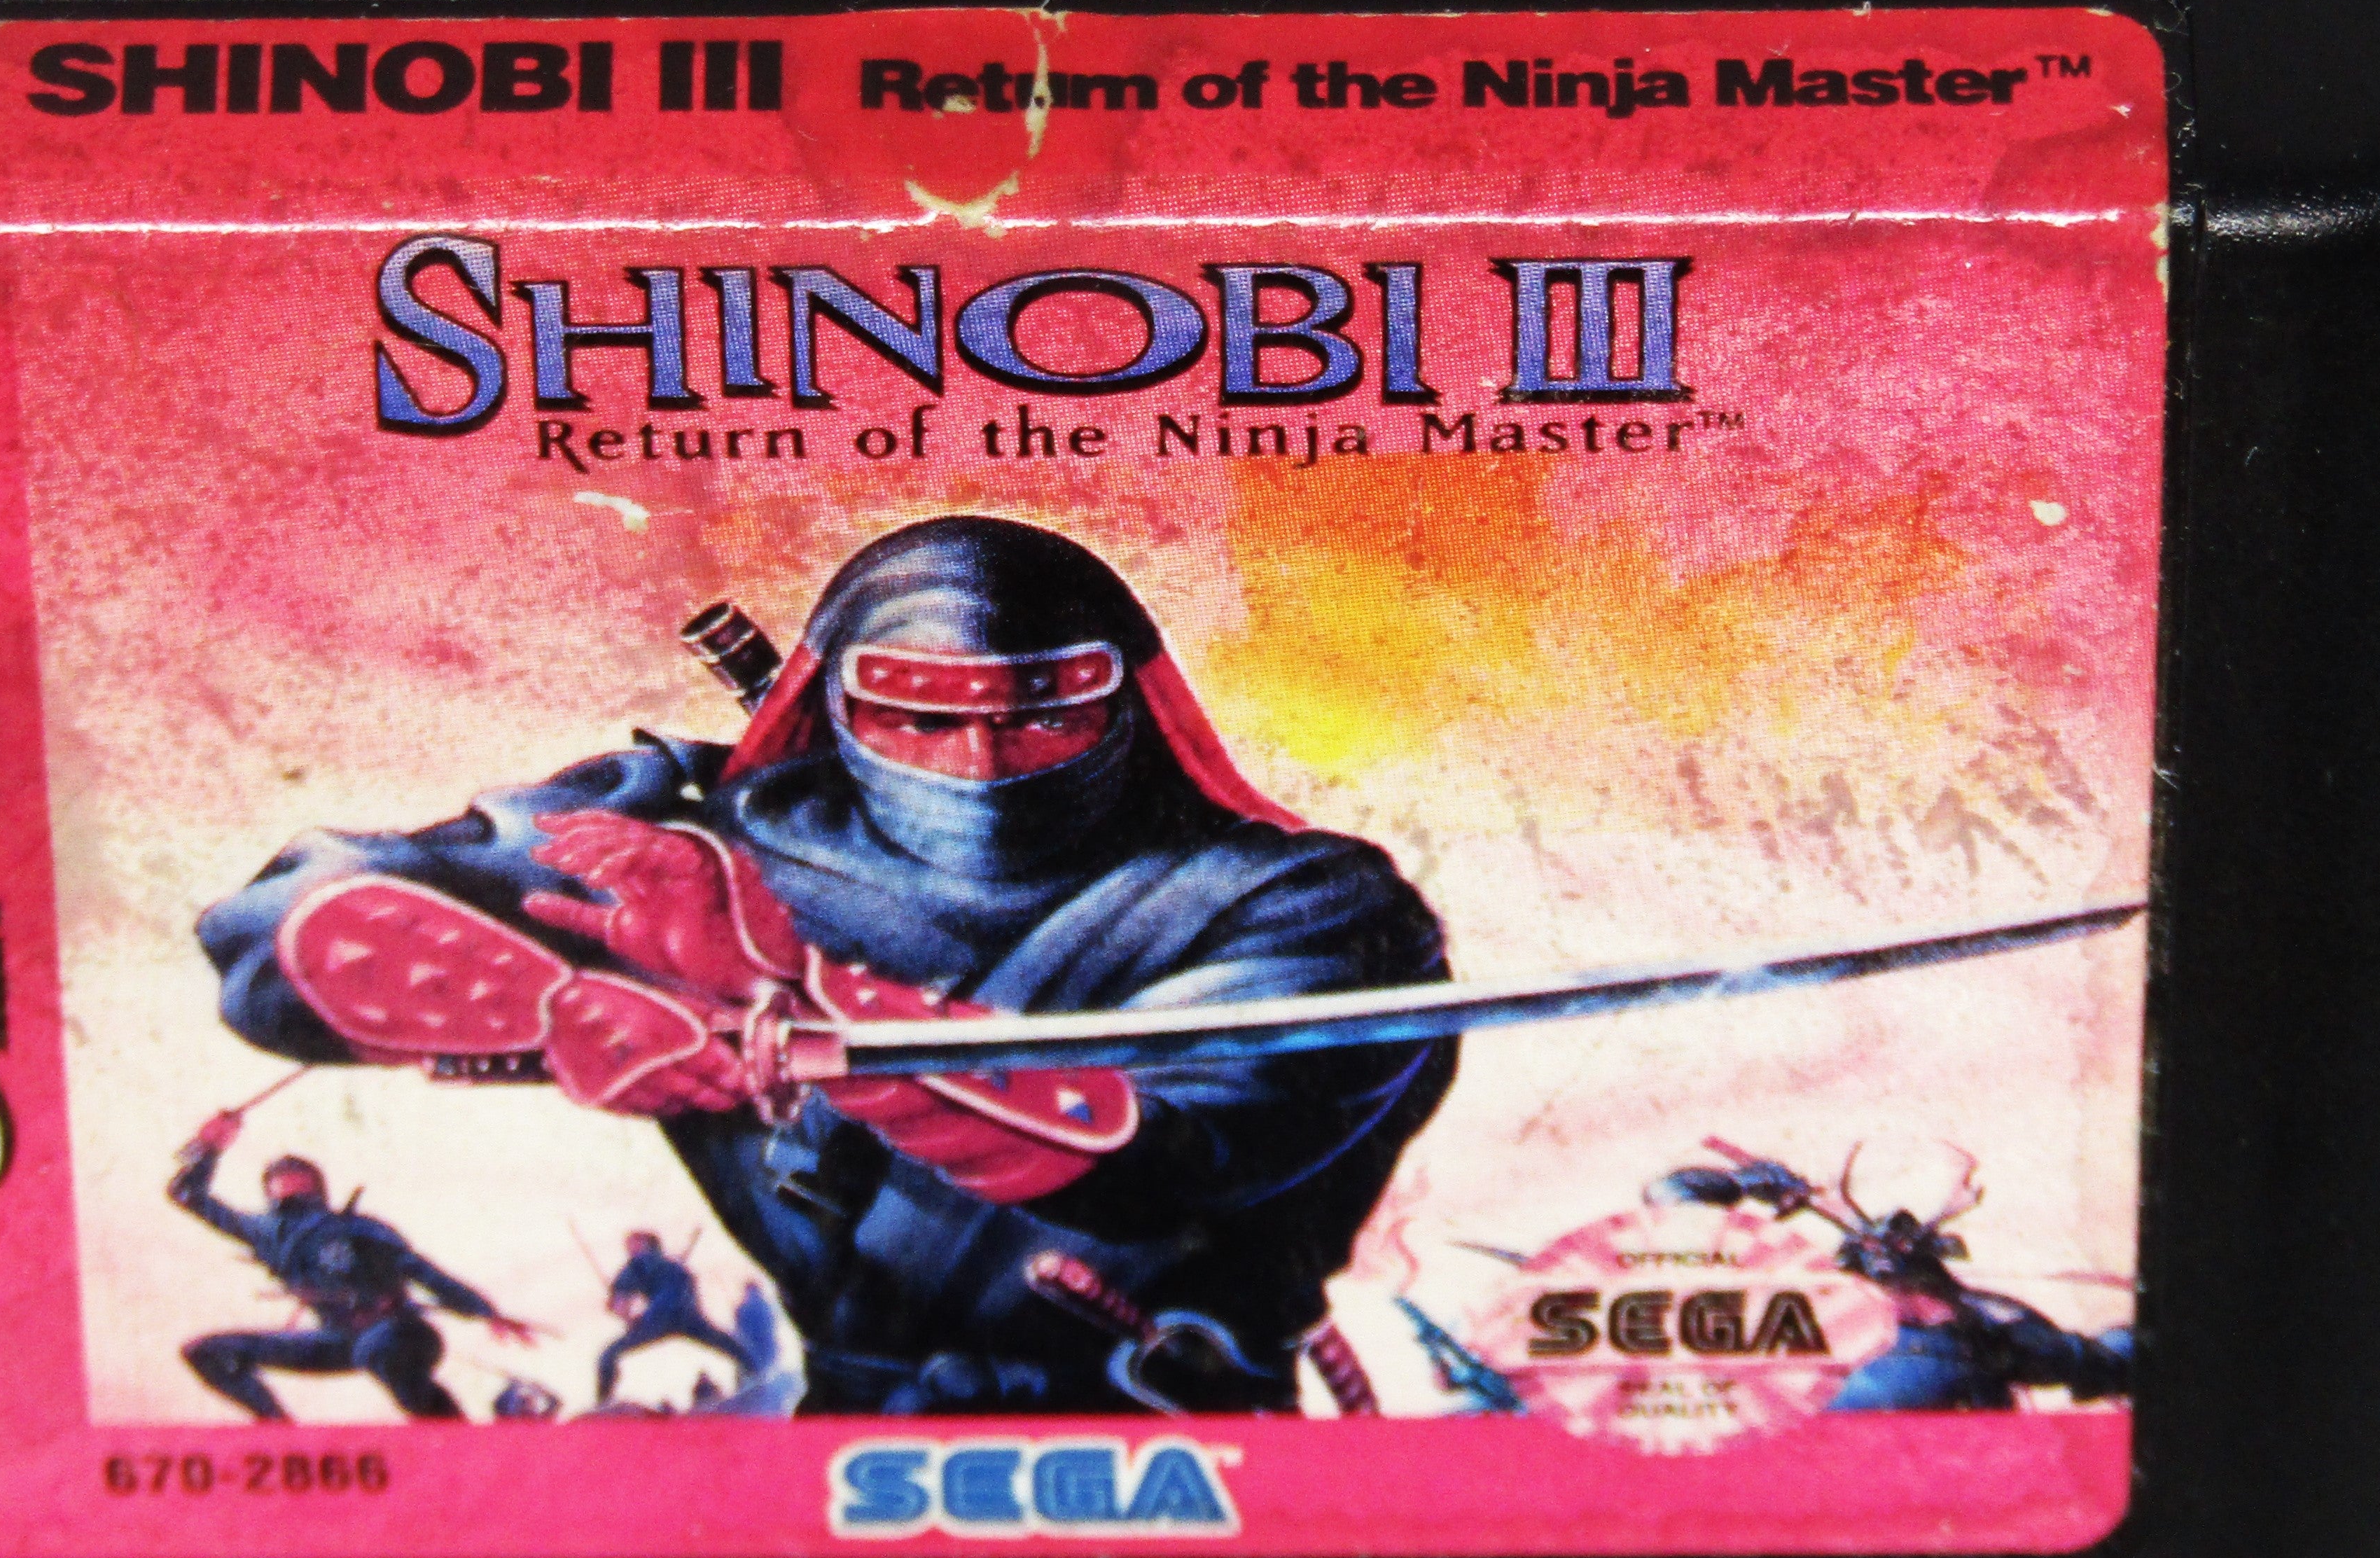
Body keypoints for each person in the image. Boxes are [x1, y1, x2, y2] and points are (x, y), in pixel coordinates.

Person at [197, 515, 1453, 1415]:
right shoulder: (692, 842)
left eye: (1040, 714)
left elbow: (1166, 1156)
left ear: (1126, 703)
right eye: (921, 715)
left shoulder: (1305, 903)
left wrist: (800, 991)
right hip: (857, 1417)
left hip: (1176, 1409)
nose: (979, 764)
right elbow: (292, 928)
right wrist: (564, 1004)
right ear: (839, 705)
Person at [169, 1115, 541, 1422]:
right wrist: (209, 1147)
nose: (292, 1202)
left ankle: (452, 1433)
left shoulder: (357, 1230)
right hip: (336, 1342)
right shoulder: (264, 1233)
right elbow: (186, 1194)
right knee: (208, 1352)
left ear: (318, 1192)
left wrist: (483, 1310)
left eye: (300, 1190)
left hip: (397, 1333)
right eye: (283, 1195)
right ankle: (277, 1430)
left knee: (378, 1349)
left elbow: (423, 1272)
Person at [595, 1229, 756, 1403]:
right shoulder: (673, 1266)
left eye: (633, 1244)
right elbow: (687, 1290)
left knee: (608, 1355)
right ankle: (753, 1372)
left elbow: (620, 1304)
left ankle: (604, 1400)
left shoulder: (638, 1265)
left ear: (646, 1244)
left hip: (663, 1317)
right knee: (731, 1346)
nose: (629, 1249)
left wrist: (629, 1317)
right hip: (685, 1316)